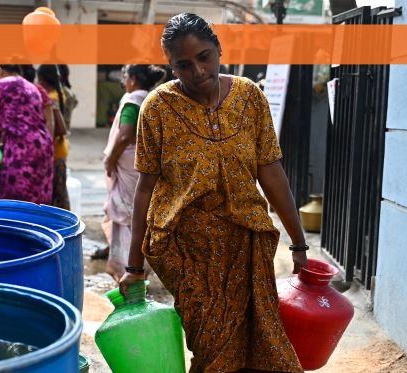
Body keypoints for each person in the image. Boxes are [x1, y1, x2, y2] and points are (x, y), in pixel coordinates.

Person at [118, 13, 307, 373]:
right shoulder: (157, 109)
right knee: (213, 348)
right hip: (185, 251)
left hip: (244, 245)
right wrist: (133, 266)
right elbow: (145, 189)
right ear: (171, 66)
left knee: (261, 342)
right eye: (183, 65)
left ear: (219, 50)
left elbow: (270, 171)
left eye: (205, 57)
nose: (198, 71)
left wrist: (298, 243)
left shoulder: (249, 97)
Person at [102, 64, 165, 281]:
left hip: (130, 166)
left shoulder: (132, 101)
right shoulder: (152, 98)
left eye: (125, 76)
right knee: (140, 216)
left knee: (127, 218)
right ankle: (139, 268)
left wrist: (111, 160)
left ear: (134, 79)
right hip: (143, 165)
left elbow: (125, 134)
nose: (123, 81)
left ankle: (128, 270)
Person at [0, 63, 54, 204]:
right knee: (37, 200)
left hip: (22, 148)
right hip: (43, 146)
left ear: (0, 71)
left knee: (12, 198)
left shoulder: (3, 84)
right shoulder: (33, 87)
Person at [37, 64, 70, 210]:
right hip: (60, 148)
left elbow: (61, 128)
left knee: (56, 195)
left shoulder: (50, 98)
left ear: (42, 79)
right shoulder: (59, 93)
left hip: (55, 151)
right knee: (59, 193)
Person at [58, 64, 78, 130]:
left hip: (60, 133)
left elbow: (66, 121)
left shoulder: (64, 94)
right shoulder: (70, 94)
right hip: (65, 132)